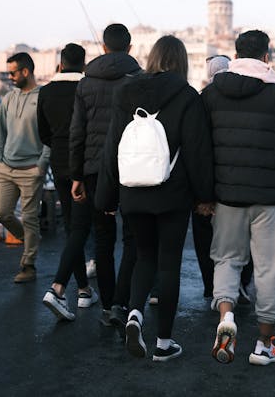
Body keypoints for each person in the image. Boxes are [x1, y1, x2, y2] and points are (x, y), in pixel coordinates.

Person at [96, 35, 214, 362]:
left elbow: (112, 150)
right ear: (182, 61)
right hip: (173, 195)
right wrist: (205, 197)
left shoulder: (125, 93)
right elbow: (197, 151)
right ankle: (163, 343)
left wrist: (106, 198)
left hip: (133, 191)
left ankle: (134, 314)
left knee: (143, 256)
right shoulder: (188, 97)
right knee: (169, 263)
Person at [201, 29, 275, 366]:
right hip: (272, 197)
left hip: (227, 195)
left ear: (235, 55)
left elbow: (200, 149)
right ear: (267, 56)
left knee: (227, 259)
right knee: (270, 268)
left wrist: (205, 195)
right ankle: (264, 344)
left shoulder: (211, 94)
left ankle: (226, 317)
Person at [42, 24, 142, 324]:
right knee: (134, 238)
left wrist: (76, 175)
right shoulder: (139, 80)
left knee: (102, 239)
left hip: (95, 172)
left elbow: (77, 133)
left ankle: (108, 305)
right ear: (130, 47)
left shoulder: (86, 83)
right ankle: (125, 303)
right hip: (131, 170)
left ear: (103, 48)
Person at [38, 43, 98, 314]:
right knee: (80, 227)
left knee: (73, 227)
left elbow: (43, 132)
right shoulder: (88, 88)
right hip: (84, 163)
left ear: (60, 64)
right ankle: (59, 288)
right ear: (84, 65)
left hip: (59, 161)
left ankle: (84, 288)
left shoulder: (47, 91)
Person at [192, 54, 253, 303]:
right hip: (239, 180)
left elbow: (196, 144)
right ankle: (241, 282)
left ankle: (211, 285)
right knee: (241, 235)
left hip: (208, 178)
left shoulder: (203, 98)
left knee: (205, 235)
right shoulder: (250, 95)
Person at [0, 52, 49, 283]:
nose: (9, 76)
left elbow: (50, 135)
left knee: (30, 217)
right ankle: (30, 240)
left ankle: (28, 265)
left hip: (31, 169)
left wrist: (41, 165)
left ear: (26, 72)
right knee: (1, 213)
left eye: (13, 72)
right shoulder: (8, 98)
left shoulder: (43, 97)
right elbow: (1, 132)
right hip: (6, 167)